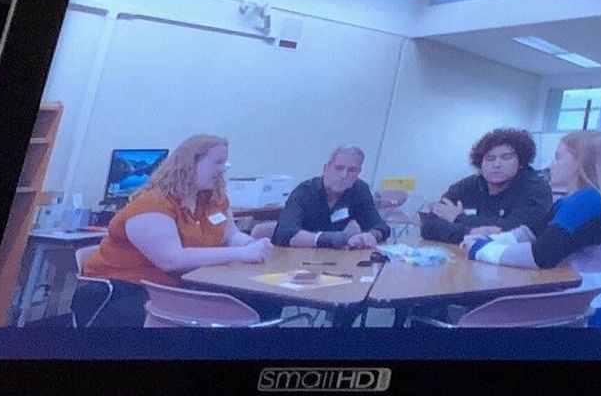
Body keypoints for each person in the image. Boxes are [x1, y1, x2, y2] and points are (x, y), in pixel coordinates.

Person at [77, 134, 271, 324]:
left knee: (261, 304)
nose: (223, 170)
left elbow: (231, 235)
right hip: (126, 290)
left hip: (181, 286)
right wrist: (240, 254)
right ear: (190, 163)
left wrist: (251, 244)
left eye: (224, 163)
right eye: (217, 162)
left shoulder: (212, 199)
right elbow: (171, 260)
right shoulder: (152, 204)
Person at [466, 129, 601, 326]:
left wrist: (481, 250)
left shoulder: (586, 201)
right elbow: (533, 232)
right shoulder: (593, 197)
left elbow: (541, 255)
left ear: (579, 163)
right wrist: (493, 240)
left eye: (558, 158)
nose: (551, 165)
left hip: (590, 314)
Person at [417, 128, 553, 246]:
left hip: (520, 265)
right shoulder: (469, 185)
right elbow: (429, 226)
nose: (497, 164)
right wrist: (470, 232)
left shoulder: (535, 188)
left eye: (506, 158)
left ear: (521, 162)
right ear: (480, 164)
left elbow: (517, 231)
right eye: (489, 158)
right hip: (468, 256)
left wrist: (458, 218)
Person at [273, 145, 390, 251]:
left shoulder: (359, 190)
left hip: (334, 257)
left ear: (359, 172)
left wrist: (373, 235)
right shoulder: (304, 191)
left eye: (352, 170)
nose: (344, 175)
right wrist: (336, 239)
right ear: (325, 169)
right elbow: (284, 234)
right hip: (296, 256)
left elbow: (380, 226)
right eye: (339, 168)